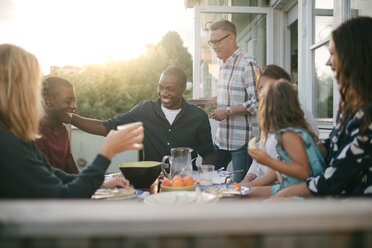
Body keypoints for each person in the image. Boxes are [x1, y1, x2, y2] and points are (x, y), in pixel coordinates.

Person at [0, 44, 144, 198]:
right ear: (17, 90)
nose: (36, 94)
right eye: (33, 86)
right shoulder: (8, 145)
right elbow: (64, 196)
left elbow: (53, 174)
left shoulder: (18, 137)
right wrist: (107, 151)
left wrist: (100, 182)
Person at [274, 16, 372, 198]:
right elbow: (335, 145)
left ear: (356, 55)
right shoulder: (350, 107)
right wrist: (301, 151)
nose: (328, 62)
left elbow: (336, 178)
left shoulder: (367, 114)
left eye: (333, 53)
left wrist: (283, 194)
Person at [70, 67, 215, 168]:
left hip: (186, 183)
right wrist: (71, 117)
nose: (163, 93)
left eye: (170, 89)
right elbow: (105, 127)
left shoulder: (198, 116)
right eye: (160, 87)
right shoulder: (145, 110)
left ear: (183, 88)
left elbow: (208, 154)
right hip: (152, 182)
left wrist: (206, 178)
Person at [241, 64, 319, 187]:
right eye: (260, 89)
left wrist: (249, 187)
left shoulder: (294, 122)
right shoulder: (272, 118)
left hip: (282, 186)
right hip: (268, 184)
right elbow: (259, 158)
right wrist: (247, 180)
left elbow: (296, 166)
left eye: (267, 88)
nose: (262, 94)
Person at [202, 20, 261, 182]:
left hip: (242, 142)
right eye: (211, 42)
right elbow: (231, 96)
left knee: (240, 189)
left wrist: (228, 111)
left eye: (217, 41)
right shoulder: (224, 64)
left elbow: (258, 101)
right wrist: (210, 101)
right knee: (210, 180)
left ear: (231, 38)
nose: (213, 46)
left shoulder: (248, 63)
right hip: (222, 139)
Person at [35, 76, 79, 174]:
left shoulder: (62, 130)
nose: (74, 106)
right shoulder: (35, 133)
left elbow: (73, 172)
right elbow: (46, 178)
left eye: (74, 101)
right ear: (48, 101)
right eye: (68, 101)